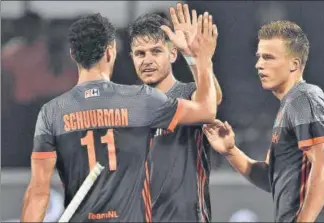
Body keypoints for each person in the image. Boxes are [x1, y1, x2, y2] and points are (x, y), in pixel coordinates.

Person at [20, 12, 217, 222]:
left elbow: (38, 193)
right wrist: (199, 58)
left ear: (73, 55)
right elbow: (207, 109)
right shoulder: (140, 100)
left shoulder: (51, 113)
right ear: (111, 51)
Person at [203, 20, 324, 222]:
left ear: (294, 64)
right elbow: (271, 180)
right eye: (259, 57)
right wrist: (231, 151)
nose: (259, 64)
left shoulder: (303, 98)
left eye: (269, 57)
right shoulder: (289, 106)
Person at [128, 4, 221, 222]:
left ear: (173, 53)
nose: (147, 60)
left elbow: (212, 100)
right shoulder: (128, 105)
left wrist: (196, 57)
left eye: (156, 51)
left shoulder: (188, 93)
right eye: (140, 53)